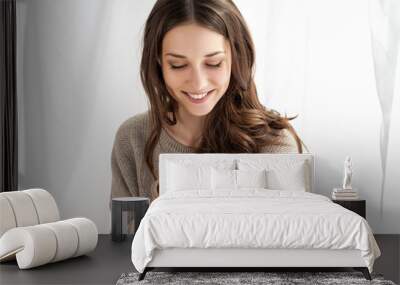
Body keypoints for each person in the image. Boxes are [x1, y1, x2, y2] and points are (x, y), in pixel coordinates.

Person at [110, 0, 307, 206]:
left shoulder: (274, 143)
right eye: (178, 65)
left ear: (236, 57)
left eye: (213, 63)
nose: (198, 83)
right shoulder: (133, 138)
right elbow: (126, 237)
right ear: (158, 63)